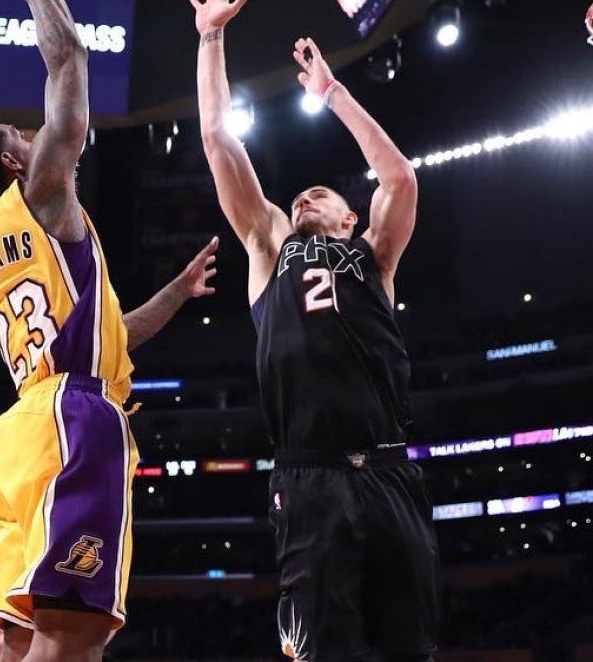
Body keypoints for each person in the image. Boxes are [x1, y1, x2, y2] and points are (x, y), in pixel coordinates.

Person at [0, 2, 217, 662]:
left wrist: (177, 292)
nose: (33, 134)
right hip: (74, 420)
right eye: (18, 134)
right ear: (13, 164)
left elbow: (109, 333)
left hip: (24, 433)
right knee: (72, 644)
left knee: (19, 644)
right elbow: (69, 59)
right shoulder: (38, 197)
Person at [190, 1, 439, 660]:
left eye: (320, 195)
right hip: (309, 477)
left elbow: (400, 177)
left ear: (351, 219)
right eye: (298, 195)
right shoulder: (269, 245)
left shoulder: (375, 255)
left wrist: (333, 95)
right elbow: (217, 138)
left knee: (410, 650)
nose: (303, 197)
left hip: (388, 469)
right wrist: (210, 37)